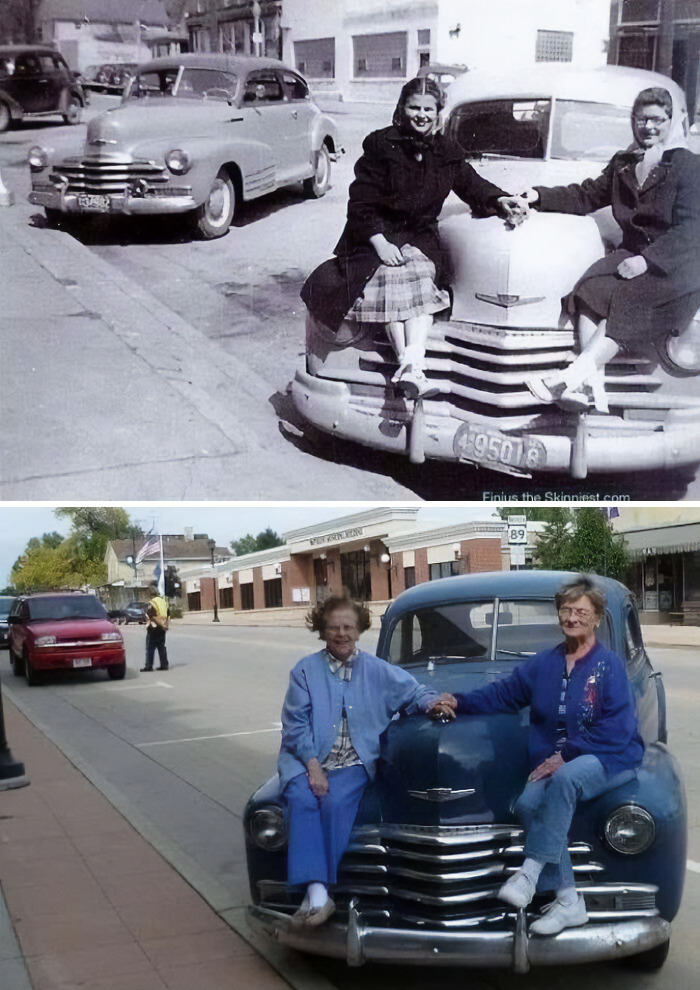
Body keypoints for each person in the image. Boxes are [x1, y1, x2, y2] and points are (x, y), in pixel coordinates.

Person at [430, 575, 644, 935]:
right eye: (565, 610)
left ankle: (528, 875)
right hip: (556, 759)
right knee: (528, 804)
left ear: (595, 618)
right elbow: (503, 693)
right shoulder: (544, 664)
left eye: (580, 611)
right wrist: (460, 701)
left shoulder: (609, 666)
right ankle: (568, 898)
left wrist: (567, 755)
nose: (571, 618)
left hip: (611, 756)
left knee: (566, 777)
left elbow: (618, 728)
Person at [301, 76, 527, 398]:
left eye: (428, 109)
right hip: (375, 235)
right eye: (414, 107)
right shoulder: (380, 145)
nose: (421, 115)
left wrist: (499, 200)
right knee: (390, 277)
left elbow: (472, 185)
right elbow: (361, 201)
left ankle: (409, 363)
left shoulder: (447, 151)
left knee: (419, 275)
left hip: (419, 237)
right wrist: (379, 242)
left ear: (438, 113)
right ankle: (413, 365)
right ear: (402, 108)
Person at [522, 86, 700, 411]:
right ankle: (591, 386)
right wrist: (538, 196)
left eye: (658, 120)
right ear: (633, 121)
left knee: (629, 300)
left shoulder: (688, 166)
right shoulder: (624, 162)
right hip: (633, 256)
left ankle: (570, 377)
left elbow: (692, 229)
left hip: (677, 267)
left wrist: (648, 262)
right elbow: (585, 195)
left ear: (671, 122)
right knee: (589, 290)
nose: (649, 127)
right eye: (643, 119)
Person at [278, 593, 450, 927]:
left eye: (347, 627)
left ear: (359, 631)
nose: (340, 634)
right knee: (301, 797)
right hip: (305, 759)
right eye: (332, 627)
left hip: (353, 762)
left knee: (334, 803)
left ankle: (315, 897)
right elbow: (295, 725)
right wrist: (313, 768)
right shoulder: (304, 671)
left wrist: (432, 704)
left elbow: (415, 693)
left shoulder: (378, 671)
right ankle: (318, 894)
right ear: (321, 631)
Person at [141, 585, 170, 672]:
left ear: (150, 594)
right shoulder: (163, 601)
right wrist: (166, 625)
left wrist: (161, 625)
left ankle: (149, 666)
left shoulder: (152, 603)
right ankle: (164, 665)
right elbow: (168, 615)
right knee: (161, 647)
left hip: (154, 628)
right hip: (162, 628)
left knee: (150, 647)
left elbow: (153, 617)